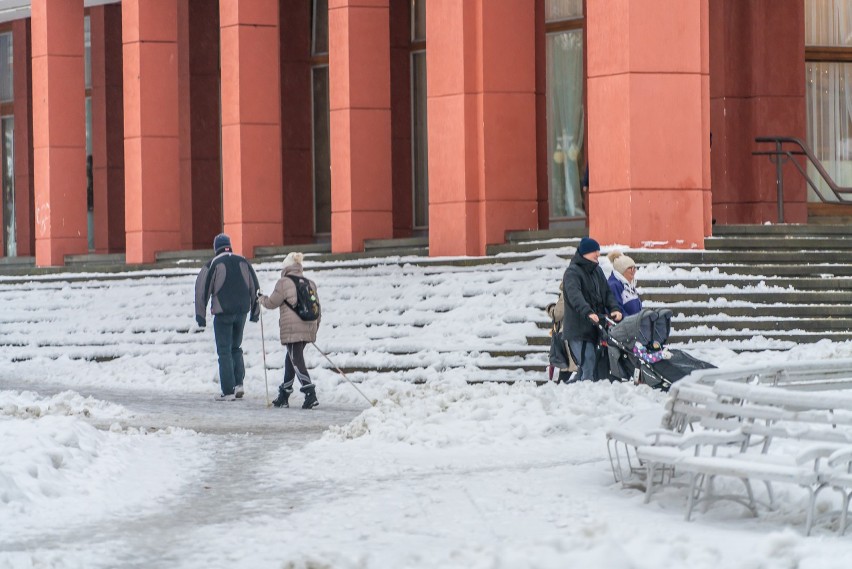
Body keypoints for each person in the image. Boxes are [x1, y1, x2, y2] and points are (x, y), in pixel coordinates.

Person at [195, 233, 260, 401]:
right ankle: (239, 384)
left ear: (216, 248)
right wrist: (255, 312)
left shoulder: (213, 264)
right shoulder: (243, 261)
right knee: (236, 347)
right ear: (229, 245)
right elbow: (255, 287)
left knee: (224, 351)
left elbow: (202, 291)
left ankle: (228, 391)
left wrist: (200, 317)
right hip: (242, 312)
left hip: (223, 312)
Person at [258, 252, 321, 409]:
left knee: (296, 360)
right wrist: (313, 328)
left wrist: (261, 299)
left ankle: (309, 393)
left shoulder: (283, 283)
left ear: (285, 267)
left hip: (293, 328)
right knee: (291, 359)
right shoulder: (310, 283)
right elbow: (317, 308)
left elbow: (272, 303)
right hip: (309, 324)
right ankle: (284, 395)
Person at [562, 237, 622, 381]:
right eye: (594, 251)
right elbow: (575, 296)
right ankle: (583, 397)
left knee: (588, 366)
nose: (598, 254)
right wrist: (588, 312)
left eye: (598, 251)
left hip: (595, 328)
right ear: (585, 253)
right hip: (578, 329)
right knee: (588, 362)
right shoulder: (572, 272)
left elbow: (607, 293)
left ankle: (576, 394)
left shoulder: (597, 271)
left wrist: (614, 308)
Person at [606, 251, 642, 316]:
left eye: (634, 268)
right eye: (630, 268)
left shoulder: (630, 285)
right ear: (621, 270)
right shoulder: (614, 286)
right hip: (625, 325)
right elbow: (617, 310)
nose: (633, 270)